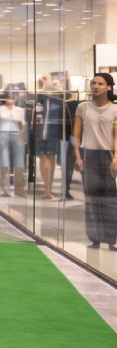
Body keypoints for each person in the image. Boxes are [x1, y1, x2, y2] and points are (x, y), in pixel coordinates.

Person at [72, 73, 117, 250]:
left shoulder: (114, 109)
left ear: (108, 87)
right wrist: (78, 156)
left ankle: (112, 239)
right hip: (88, 155)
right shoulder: (83, 107)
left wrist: (115, 158)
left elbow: (116, 137)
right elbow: (76, 135)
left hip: (107, 157)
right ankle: (95, 238)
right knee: (91, 200)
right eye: (93, 83)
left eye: (100, 83)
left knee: (110, 199)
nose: (95, 86)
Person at [0, 95, 26, 197]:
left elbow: (22, 124)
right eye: (8, 96)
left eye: (13, 96)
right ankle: (6, 189)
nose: (11, 98)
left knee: (19, 162)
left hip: (17, 134)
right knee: (4, 163)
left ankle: (19, 189)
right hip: (3, 134)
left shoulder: (20, 110)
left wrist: (23, 136)